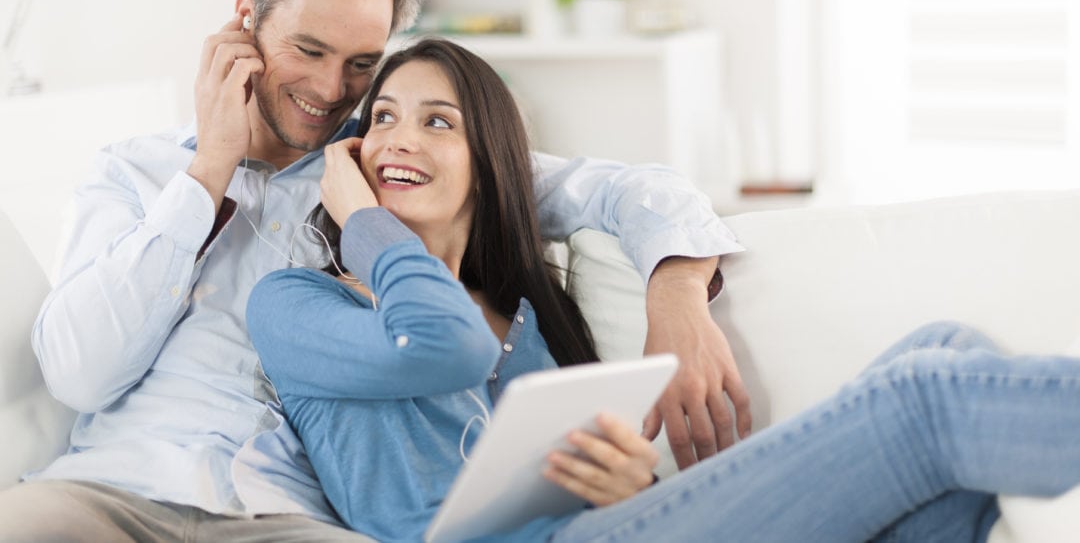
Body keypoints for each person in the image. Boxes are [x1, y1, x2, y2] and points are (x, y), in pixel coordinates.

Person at [0, 0, 745, 540]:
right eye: (309, 50)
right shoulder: (137, 173)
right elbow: (78, 374)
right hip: (104, 494)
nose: (331, 90)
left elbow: (636, 190)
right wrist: (209, 172)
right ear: (246, 20)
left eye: (361, 63)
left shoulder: (389, 167)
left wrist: (678, 298)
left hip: (280, 514)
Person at [248, 37, 1080, 543]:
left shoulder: (526, 312)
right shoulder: (295, 304)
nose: (398, 137)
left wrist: (627, 483)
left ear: (491, 165)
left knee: (945, 346)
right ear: (349, 158)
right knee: (926, 400)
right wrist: (362, 221)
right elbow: (441, 341)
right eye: (382, 118)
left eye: (438, 121)